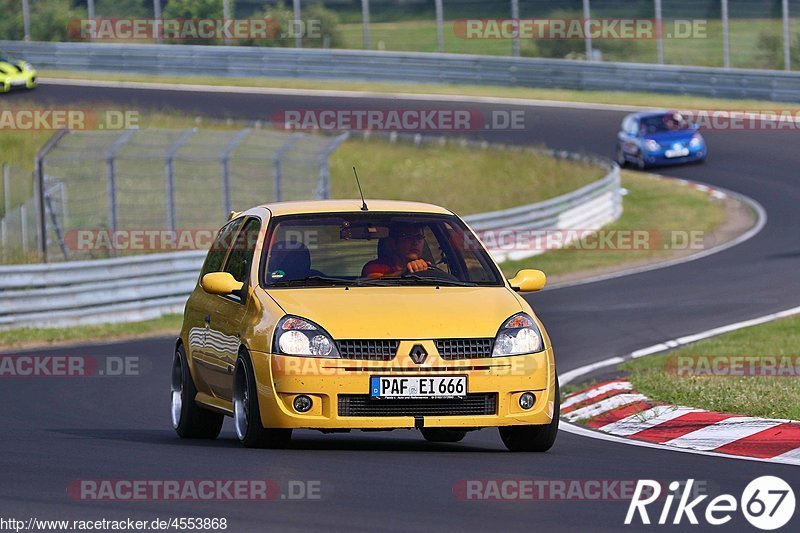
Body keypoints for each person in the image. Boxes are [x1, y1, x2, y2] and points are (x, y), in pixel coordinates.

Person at [361, 223, 430, 278]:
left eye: (419, 237)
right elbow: (375, 280)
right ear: (392, 243)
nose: (415, 242)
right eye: (408, 237)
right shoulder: (375, 266)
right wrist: (406, 272)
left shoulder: (427, 267)